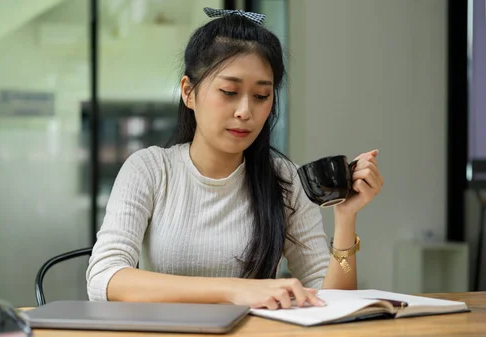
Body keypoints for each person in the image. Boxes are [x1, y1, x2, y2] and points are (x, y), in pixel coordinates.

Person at [86, 7, 384, 310]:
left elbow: (331, 300)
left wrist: (346, 219)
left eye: (260, 96)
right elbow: (104, 278)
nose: (245, 111)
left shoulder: (285, 178)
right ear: (189, 92)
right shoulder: (150, 169)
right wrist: (233, 290)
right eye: (229, 91)